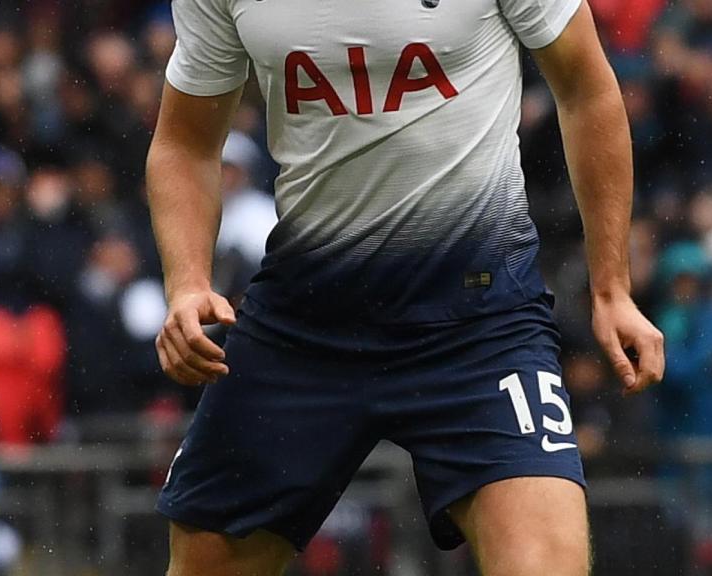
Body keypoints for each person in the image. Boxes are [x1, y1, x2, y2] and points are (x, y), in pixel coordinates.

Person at [147, 0, 665, 573]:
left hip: (480, 324)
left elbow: (587, 88)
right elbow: (185, 142)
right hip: (303, 327)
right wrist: (187, 283)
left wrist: (611, 289)